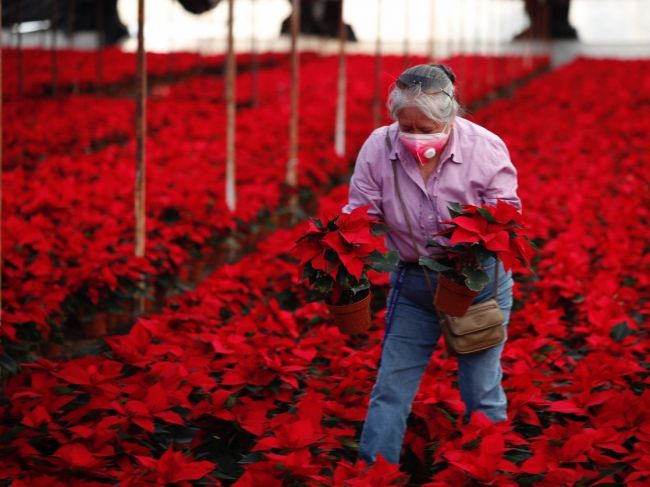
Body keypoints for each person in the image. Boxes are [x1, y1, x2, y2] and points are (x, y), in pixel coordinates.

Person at [342, 63, 521, 465]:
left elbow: (507, 212)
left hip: (476, 286)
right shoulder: (378, 146)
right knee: (391, 388)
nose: (416, 138)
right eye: (407, 127)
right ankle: (373, 473)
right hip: (415, 284)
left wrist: (473, 242)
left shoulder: (485, 147)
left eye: (427, 129)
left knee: (482, 390)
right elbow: (360, 212)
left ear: (451, 117)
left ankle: (487, 469)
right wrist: (340, 255)